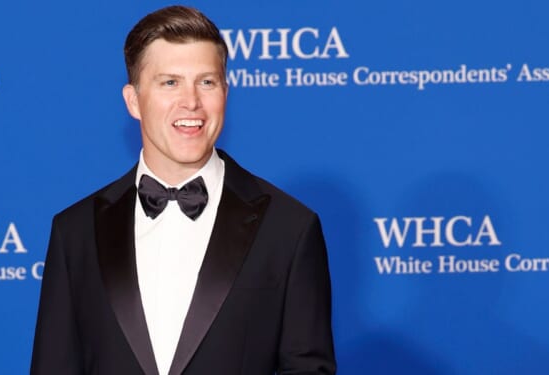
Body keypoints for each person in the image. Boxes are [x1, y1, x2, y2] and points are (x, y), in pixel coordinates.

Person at [30, 5, 336, 375]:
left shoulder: (289, 228)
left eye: (206, 82)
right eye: (170, 82)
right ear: (133, 100)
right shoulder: (74, 232)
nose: (191, 102)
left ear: (225, 91)